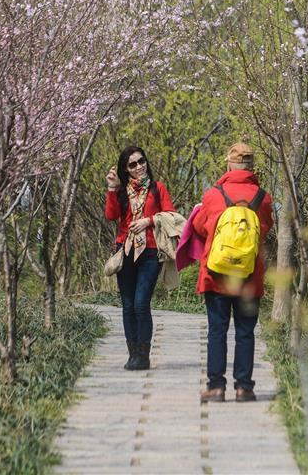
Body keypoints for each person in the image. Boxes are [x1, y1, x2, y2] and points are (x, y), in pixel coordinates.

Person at [192, 142, 273, 403]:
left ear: (229, 164)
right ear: (251, 167)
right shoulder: (263, 197)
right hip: (249, 275)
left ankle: (216, 387)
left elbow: (202, 228)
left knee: (217, 330)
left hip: (216, 273)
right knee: (245, 331)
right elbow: (265, 229)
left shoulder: (214, 195)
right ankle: (244, 388)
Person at [105, 146, 175, 371]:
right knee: (127, 305)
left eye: (141, 161)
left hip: (151, 252)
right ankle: (133, 353)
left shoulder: (158, 188)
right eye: (132, 164)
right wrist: (112, 189)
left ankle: (144, 354)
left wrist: (148, 221)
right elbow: (111, 215)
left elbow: (171, 215)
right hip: (124, 250)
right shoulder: (122, 191)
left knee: (141, 303)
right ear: (126, 169)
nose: (139, 167)